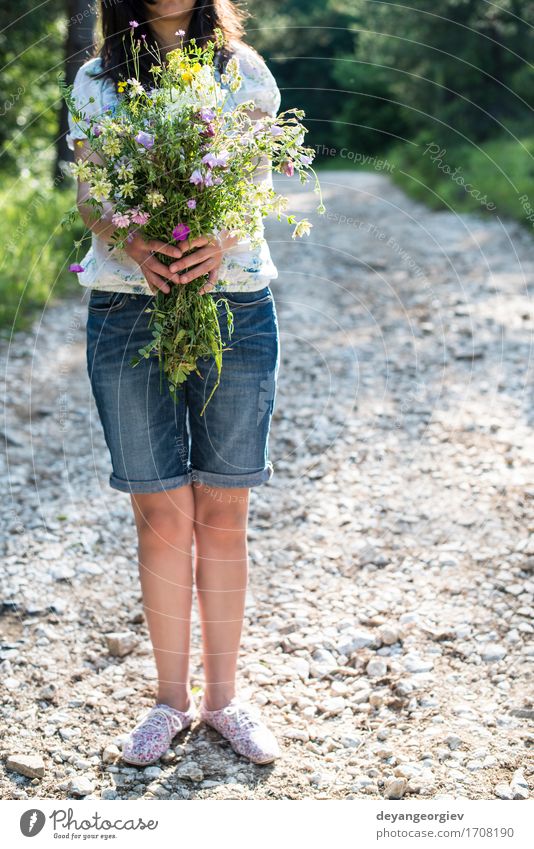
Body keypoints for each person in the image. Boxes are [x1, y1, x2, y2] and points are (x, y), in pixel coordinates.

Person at [66, 0, 282, 766]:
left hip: (238, 307)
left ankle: (225, 700)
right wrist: (132, 237)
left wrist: (219, 235)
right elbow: (91, 195)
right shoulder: (97, 81)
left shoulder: (245, 73)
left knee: (224, 506)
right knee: (159, 511)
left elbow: (256, 185)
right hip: (128, 311)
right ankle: (168, 701)